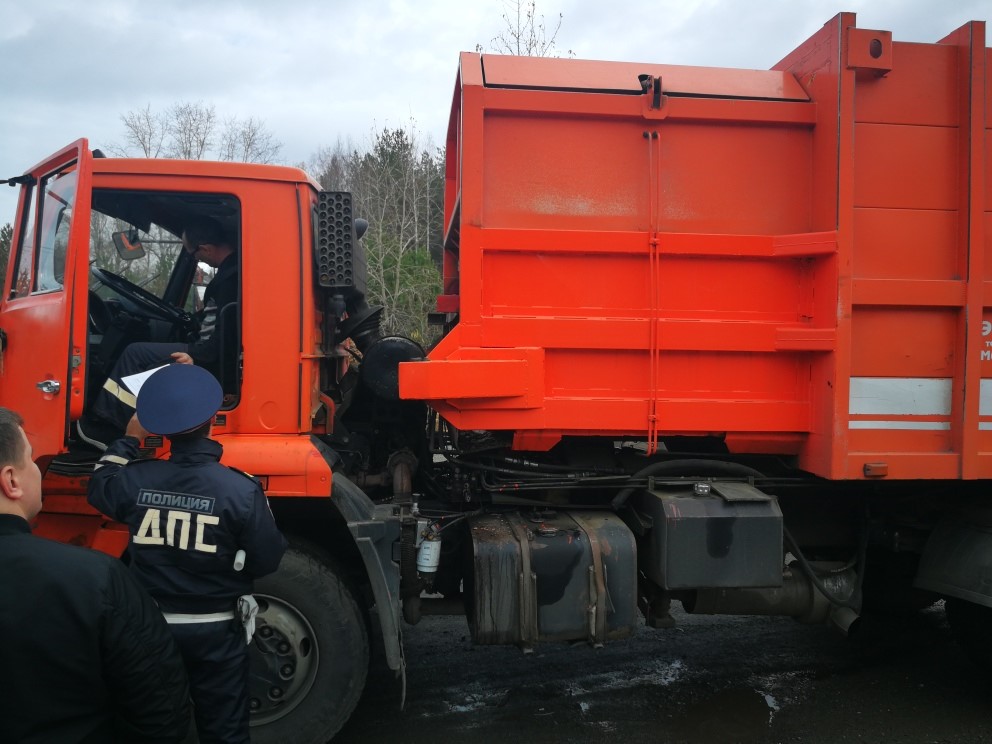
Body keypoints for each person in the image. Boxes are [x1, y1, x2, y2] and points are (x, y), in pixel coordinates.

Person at [87, 363, 288, 744]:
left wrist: (128, 439)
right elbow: (267, 559)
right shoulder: (241, 490)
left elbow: (100, 484)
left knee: (152, 728)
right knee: (224, 731)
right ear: (213, 418)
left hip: (149, 630)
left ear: (156, 428)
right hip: (217, 634)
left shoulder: (134, 479)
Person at [0, 407, 193, 743]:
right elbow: (161, 713)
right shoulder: (96, 580)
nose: (38, 468)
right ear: (11, 481)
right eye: (32, 459)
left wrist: (128, 441)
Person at [76, 214, 238, 450]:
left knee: (135, 353)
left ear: (206, 249)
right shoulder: (231, 272)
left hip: (209, 355)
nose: (196, 259)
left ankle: (107, 426)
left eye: (192, 255)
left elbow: (224, 336)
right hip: (208, 349)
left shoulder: (230, 279)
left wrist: (196, 356)